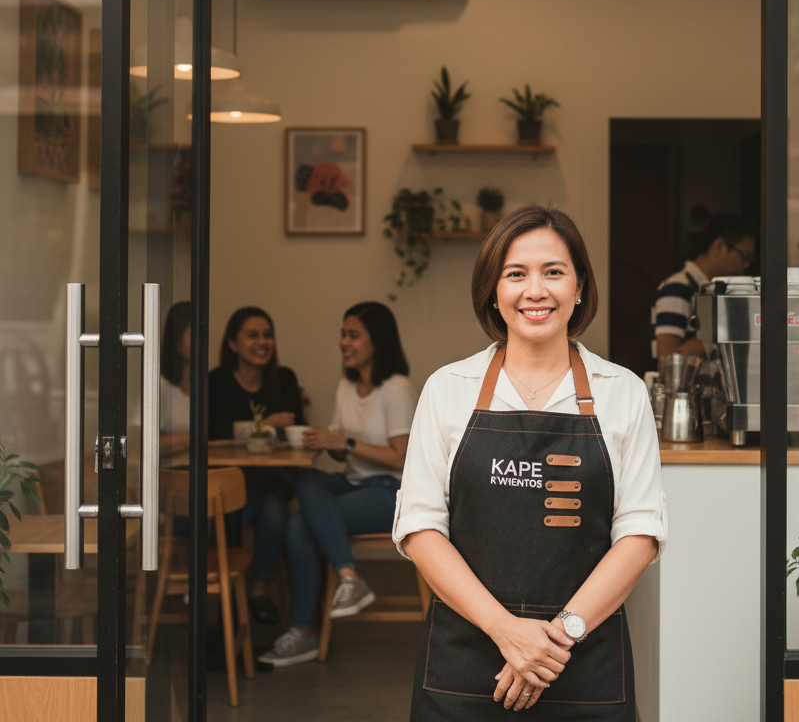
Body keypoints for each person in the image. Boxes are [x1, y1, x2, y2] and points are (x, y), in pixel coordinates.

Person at [394, 205, 666, 718]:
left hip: (583, 664)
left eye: (554, 272)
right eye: (515, 274)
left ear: (580, 286)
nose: (535, 290)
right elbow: (420, 528)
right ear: (493, 292)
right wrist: (506, 631)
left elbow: (640, 533)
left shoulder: (622, 393)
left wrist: (554, 640)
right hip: (466, 662)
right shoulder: (447, 390)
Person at [257, 301, 417, 668]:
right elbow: (340, 447)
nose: (344, 342)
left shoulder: (396, 388)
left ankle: (304, 631)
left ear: (377, 341)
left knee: (301, 524)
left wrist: (341, 443)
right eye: (342, 334)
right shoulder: (346, 387)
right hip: (355, 482)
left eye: (353, 335)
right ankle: (347, 578)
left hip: (394, 492)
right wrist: (318, 440)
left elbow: (400, 457)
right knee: (308, 479)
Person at [209, 306, 306, 626]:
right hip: (230, 478)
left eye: (268, 334)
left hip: (273, 474)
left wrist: (258, 428)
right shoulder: (217, 381)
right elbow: (210, 431)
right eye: (252, 335)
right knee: (272, 508)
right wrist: (263, 425)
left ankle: (241, 589)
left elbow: (296, 429)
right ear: (233, 344)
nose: (263, 341)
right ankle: (249, 590)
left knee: (265, 498)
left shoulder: (285, 378)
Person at [650, 212, 757, 366]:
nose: (746, 265)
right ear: (719, 246)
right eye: (744, 256)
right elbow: (667, 362)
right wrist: (720, 338)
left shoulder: (712, 291)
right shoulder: (677, 288)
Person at [159, 301, 192, 455]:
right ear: (177, 342)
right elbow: (140, 442)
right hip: (169, 474)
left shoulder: (210, 386)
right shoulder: (160, 387)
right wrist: (195, 437)